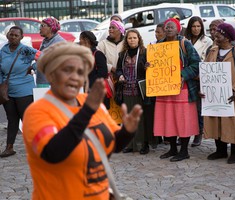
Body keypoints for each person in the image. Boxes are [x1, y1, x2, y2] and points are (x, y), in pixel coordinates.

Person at [22, 41, 143, 199]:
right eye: (67, 70)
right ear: (51, 74)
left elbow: (112, 145)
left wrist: (127, 131)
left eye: (80, 72)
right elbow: (52, 153)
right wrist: (86, 112)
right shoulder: (38, 111)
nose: (75, 77)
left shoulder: (90, 103)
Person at [154, 18, 200, 162]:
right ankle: (173, 148)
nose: (168, 29)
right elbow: (155, 66)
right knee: (168, 119)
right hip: (164, 89)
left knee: (182, 119)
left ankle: (184, 150)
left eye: (172, 27)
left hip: (182, 88)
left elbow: (196, 64)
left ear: (178, 29)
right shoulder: (158, 46)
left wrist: (182, 74)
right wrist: (149, 65)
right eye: (167, 27)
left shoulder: (184, 44)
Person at [204, 23, 235, 164]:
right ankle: (221, 150)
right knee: (217, 121)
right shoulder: (212, 51)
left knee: (234, 122)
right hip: (215, 95)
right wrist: (204, 88)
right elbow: (205, 71)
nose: (216, 35)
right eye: (216, 33)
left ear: (228, 37)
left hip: (233, 96)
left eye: (220, 34)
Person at [0, 26, 40, 157]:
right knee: (12, 119)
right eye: (11, 34)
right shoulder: (3, 50)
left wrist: (33, 67)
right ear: (7, 36)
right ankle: (9, 147)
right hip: (8, 91)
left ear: (21, 37)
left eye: (16, 35)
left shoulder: (25, 50)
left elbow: (44, 57)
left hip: (24, 90)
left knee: (27, 120)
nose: (13, 37)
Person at [115, 29, 150, 154]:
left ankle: (143, 144)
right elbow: (118, 69)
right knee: (129, 118)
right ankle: (130, 144)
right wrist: (119, 75)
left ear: (139, 39)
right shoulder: (122, 54)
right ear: (126, 40)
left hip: (140, 90)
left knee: (141, 118)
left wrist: (147, 67)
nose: (132, 40)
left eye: (134, 38)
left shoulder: (144, 52)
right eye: (129, 38)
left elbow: (150, 69)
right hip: (126, 90)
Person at [185, 16, 213, 147]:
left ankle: (198, 133)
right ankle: (185, 133)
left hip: (200, 77)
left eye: (198, 26)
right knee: (187, 107)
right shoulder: (184, 41)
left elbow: (207, 60)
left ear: (202, 27)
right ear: (189, 28)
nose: (196, 29)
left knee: (199, 108)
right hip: (187, 77)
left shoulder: (207, 41)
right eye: (193, 26)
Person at [79, 31, 110, 109]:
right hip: (87, 91)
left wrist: (89, 83)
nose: (79, 42)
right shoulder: (84, 54)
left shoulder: (98, 54)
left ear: (86, 40)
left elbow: (103, 73)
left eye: (81, 39)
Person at [35, 17, 65, 88]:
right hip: (43, 80)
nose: (40, 28)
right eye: (40, 26)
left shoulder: (59, 42)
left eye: (43, 26)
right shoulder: (46, 40)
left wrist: (34, 65)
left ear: (51, 28)